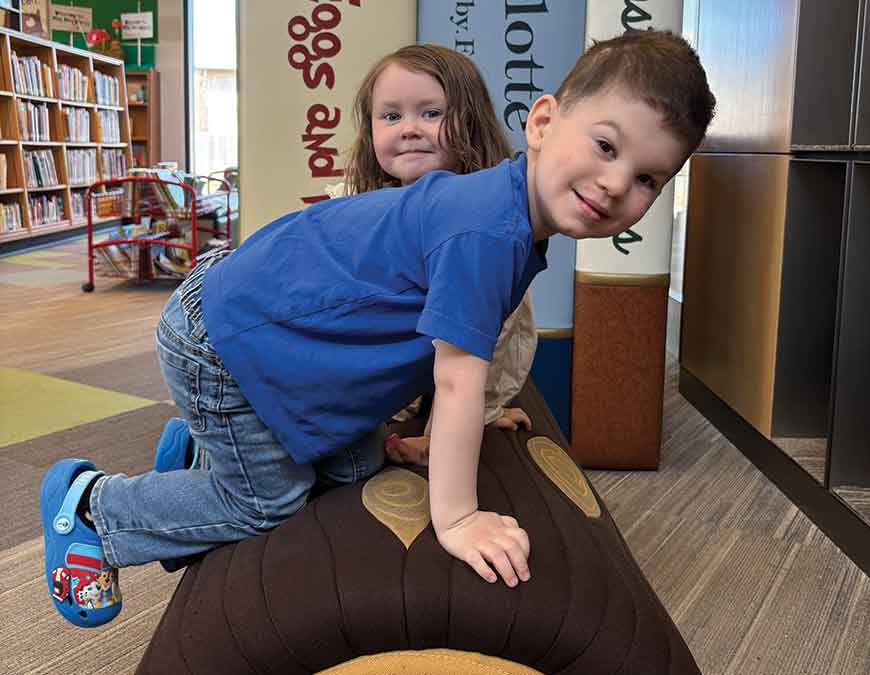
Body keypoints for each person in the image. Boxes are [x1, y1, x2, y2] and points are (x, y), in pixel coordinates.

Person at [40, 29, 715, 628]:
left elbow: (429, 352)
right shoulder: (486, 227)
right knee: (266, 501)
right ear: (543, 121)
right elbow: (454, 376)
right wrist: (456, 517)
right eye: (605, 146)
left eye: (648, 180)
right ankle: (96, 510)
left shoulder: (503, 212)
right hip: (223, 339)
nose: (614, 183)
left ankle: (198, 452)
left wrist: (445, 433)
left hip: (262, 331)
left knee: (361, 462)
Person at [341, 43, 537, 465]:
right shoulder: (357, 206)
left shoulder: (485, 222)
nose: (409, 128)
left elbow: (498, 332)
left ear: (470, 123)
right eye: (391, 116)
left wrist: (482, 410)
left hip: (451, 362)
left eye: (431, 113)